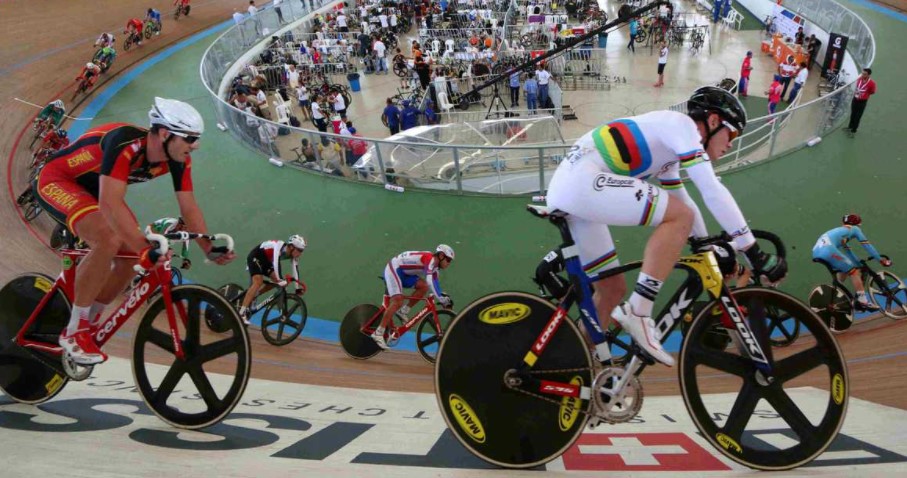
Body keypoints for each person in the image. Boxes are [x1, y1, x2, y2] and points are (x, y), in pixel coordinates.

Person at [545, 87, 787, 366]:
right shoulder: (681, 127)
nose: (731, 143)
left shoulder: (669, 146)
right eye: (732, 133)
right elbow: (710, 190)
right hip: (582, 183)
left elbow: (684, 198)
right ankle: (639, 312)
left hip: (576, 189)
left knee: (611, 290)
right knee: (678, 216)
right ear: (712, 121)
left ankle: (568, 364)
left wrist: (706, 244)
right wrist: (753, 252)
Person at [33, 97, 235, 364]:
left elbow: (188, 206)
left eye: (196, 138)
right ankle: (74, 332)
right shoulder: (124, 143)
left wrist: (208, 246)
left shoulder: (178, 158)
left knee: (129, 257)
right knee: (110, 238)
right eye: (189, 138)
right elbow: (109, 203)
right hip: (59, 180)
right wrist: (144, 248)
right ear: (164, 133)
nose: (195, 146)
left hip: (95, 189)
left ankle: (90, 322)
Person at [371, 245, 455, 349]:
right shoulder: (431, 260)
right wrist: (441, 299)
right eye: (448, 259)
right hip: (394, 268)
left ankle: (403, 311)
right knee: (398, 301)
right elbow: (430, 281)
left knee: (423, 287)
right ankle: (378, 333)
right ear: (441, 255)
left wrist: (443, 298)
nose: (449, 263)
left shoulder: (435, 268)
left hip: (405, 273)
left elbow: (435, 285)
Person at [812, 214, 890, 310]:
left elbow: (848, 252)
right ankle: (863, 301)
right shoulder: (855, 229)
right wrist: (880, 259)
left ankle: (836, 298)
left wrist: (858, 263)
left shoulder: (841, 232)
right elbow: (867, 246)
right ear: (858, 224)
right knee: (854, 272)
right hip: (828, 250)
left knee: (844, 271)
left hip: (816, 252)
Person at [238, 236, 307, 324]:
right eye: (300, 250)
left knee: (277, 282)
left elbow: (295, 270)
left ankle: (254, 295)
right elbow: (275, 263)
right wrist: (279, 280)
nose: (300, 253)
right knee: (258, 281)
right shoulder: (278, 246)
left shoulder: (293, 255)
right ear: (291, 247)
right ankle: (241, 313)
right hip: (255, 256)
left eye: (302, 251)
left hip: (266, 261)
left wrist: (297, 288)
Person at [846, 68, 876, 138]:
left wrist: (865, 95)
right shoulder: (859, 79)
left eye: (864, 74)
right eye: (862, 73)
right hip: (855, 99)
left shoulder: (872, 83)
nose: (862, 75)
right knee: (853, 114)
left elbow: (872, 92)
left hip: (862, 102)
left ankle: (854, 130)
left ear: (869, 75)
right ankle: (850, 127)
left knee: (858, 116)